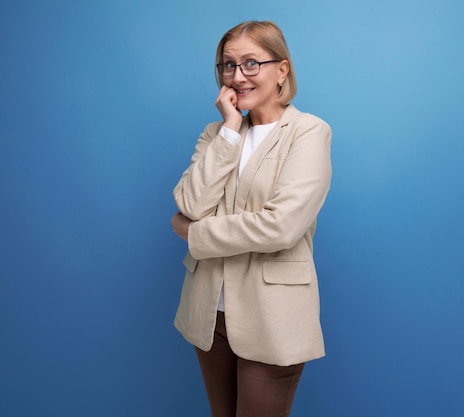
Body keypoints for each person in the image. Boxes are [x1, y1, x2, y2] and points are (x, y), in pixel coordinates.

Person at [171, 20, 332, 417]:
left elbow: (281, 226)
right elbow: (190, 203)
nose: (237, 75)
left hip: (272, 315)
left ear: (282, 69)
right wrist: (229, 129)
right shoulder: (216, 134)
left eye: (250, 63)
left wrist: (194, 234)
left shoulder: (309, 133)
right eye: (228, 65)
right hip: (210, 313)